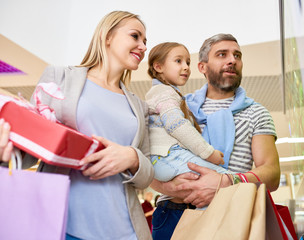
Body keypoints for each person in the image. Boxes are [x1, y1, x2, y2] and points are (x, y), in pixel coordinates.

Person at [0, 11, 154, 240]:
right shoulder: (60, 78)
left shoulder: (139, 107)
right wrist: (5, 151)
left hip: (125, 230)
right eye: (135, 36)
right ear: (107, 36)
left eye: (145, 41)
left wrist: (132, 157)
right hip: (64, 224)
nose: (142, 46)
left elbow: (148, 173)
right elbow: (32, 148)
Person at [150, 33, 280, 240]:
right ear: (202, 67)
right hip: (172, 213)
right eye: (222, 54)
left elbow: (272, 174)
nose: (232, 60)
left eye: (237, 55)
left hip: (231, 211)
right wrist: (169, 187)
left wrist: (226, 181)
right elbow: (152, 156)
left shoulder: (257, 112)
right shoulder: (178, 106)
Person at [145, 42, 228, 184]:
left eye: (188, 62)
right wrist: (209, 153)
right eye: (178, 61)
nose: (186, 67)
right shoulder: (164, 93)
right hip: (169, 156)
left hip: (164, 159)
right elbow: (176, 125)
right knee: (228, 179)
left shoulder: (166, 93)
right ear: (158, 67)